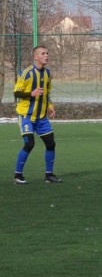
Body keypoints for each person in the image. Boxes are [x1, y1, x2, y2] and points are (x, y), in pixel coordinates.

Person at [13, 45, 61, 184]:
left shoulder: (48, 73)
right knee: (29, 144)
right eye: (42, 53)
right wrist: (31, 93)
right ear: (35, 57)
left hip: (41, 118)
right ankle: (18, 175)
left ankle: (49, 175)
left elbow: (47, 92)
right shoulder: (26, 73)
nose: (46, 55)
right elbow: (16, 92)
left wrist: (50, 107)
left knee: (51, 143)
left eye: (47, 53)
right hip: (26, 116)